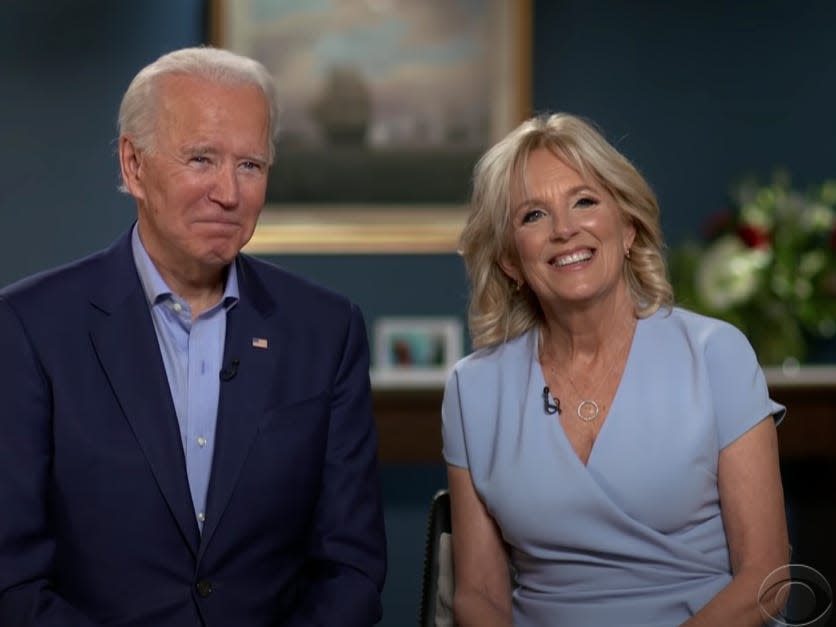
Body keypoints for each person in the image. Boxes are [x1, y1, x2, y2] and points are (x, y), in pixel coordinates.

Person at [0, 47, 386, 626]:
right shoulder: (30, 327)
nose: (228, 193)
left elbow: (351, 568)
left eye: (250, 165)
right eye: (201, 159)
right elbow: (13, 578)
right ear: (134, 166)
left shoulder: (326, 331)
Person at [442, 113, 789, 626]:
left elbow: (767, 575)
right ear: (511, 261)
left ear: (627, 228)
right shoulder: (473, 389)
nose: (564, 229)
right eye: (532, 216)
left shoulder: (717, 354)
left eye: (584, 201)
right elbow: (479, 595)